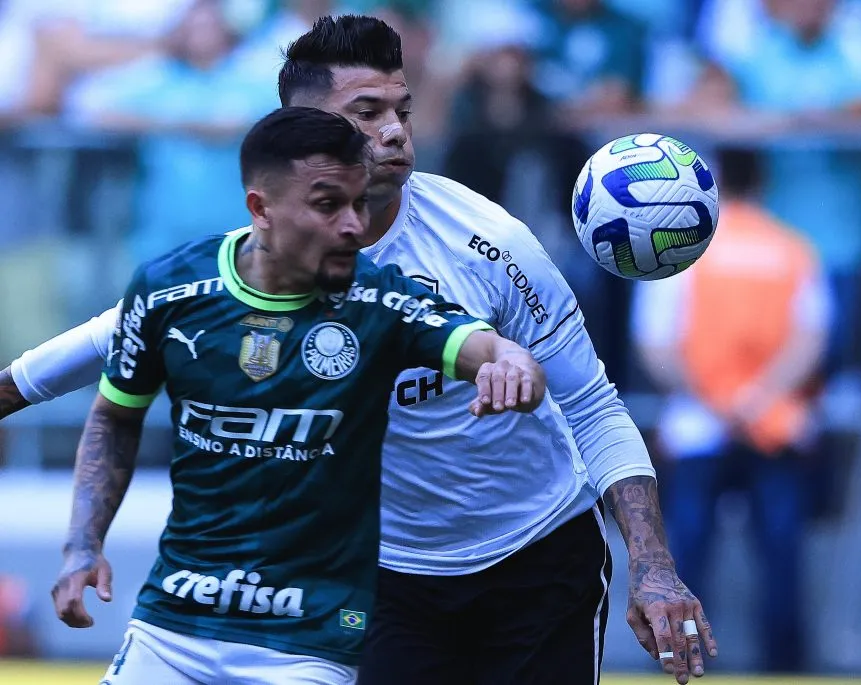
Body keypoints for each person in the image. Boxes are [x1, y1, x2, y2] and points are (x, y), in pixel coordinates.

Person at [0, 15, 715, 685]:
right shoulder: (256, 267)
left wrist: (652, 566)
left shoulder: (488, 241)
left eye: (402, 110)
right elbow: (104, 337)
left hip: (537, 555)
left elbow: (590, 403)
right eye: (367, 113)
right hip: (380, 577)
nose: (396, 131)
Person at [50, 105, 546, 684]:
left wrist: (515, 366)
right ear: (261, 208)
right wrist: (82, 546)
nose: (353, 225)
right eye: (328, 205)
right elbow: (115, 417)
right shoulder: (169, 291)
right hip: (174, 624)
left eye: (359, 203)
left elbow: (491, 348)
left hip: (308, 641)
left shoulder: (380, 300)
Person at [631, 148, 830, 673]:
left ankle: (678, 665)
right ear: (763, 184)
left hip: (699, 425)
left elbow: (657, 346)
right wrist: (758, 398)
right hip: (775, 424)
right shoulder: (792, 249)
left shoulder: (682, 249)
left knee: (687, 555)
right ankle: (786, 670)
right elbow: (811, 340)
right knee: (781, 556)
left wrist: (717, 402)